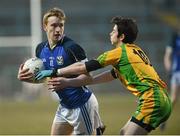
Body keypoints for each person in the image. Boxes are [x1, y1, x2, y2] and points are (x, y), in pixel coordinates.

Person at [35, 16, 172, 135]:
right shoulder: (134, 50)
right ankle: (98, 130)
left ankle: (96, 131)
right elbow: (113, 74)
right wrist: (87, 81)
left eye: (113, 31)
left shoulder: (118, 52)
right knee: (124, 133)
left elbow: (84, 67)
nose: (110, 33)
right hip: (162, 99)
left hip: (153, 100)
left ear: (121, 37)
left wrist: (55, 72)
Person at [17, 7, 105, 135]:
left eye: (61, 25)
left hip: (82, 105)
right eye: (54, 25)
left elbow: (88, 78)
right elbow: (43, 76)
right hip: (64, 106)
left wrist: (67, 82)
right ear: (45, 27)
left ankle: (97, 128)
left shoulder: (72, 47)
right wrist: (25, 77)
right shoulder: (40, 49)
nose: (58, 30)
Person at [161, 27, 180, 130]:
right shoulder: (175, 38)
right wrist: (169, 70)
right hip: (177, 72)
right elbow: (167, 56)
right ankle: (163, 119)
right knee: (174, 99)